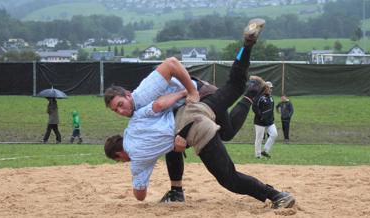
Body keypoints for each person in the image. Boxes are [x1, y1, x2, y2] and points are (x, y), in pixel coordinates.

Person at [104, 18, 295, 209]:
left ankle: (277, 195)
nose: (120, 111)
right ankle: (247, 47)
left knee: (228, 175)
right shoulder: (136, 120)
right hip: (192, 111)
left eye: (120, 104)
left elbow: (171, 64)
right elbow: (159, 107)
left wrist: (190, 91)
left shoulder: (143, 96)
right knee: (234, 89)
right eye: (116, 110)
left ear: (128, 94)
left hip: (198, 98)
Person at [252, 81, 277, 158]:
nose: (271, 89)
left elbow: (271, 109)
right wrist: (261, 116)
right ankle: (258, 155)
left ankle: (265, 151)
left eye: (271, 88)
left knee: (274, 134)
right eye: (269, 88)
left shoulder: (271, 97)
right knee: (259, 138)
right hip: (260, 122)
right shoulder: (259, 97)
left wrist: (272, 118)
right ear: (265, 88)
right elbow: (254, 108)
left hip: (269, 121)